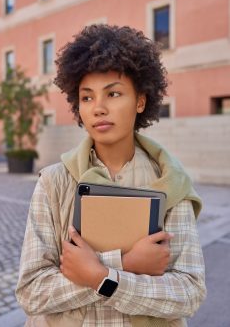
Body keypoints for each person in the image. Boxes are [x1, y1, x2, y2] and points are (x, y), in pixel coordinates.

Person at [16, 24, 206, 327]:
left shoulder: (171, 183)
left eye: (113, 93)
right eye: (87, 97)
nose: (98, 108)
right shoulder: (53, 182)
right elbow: (31, 293)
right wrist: (124, 265)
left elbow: (189, 293)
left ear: (140, 101)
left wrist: (100, 276)